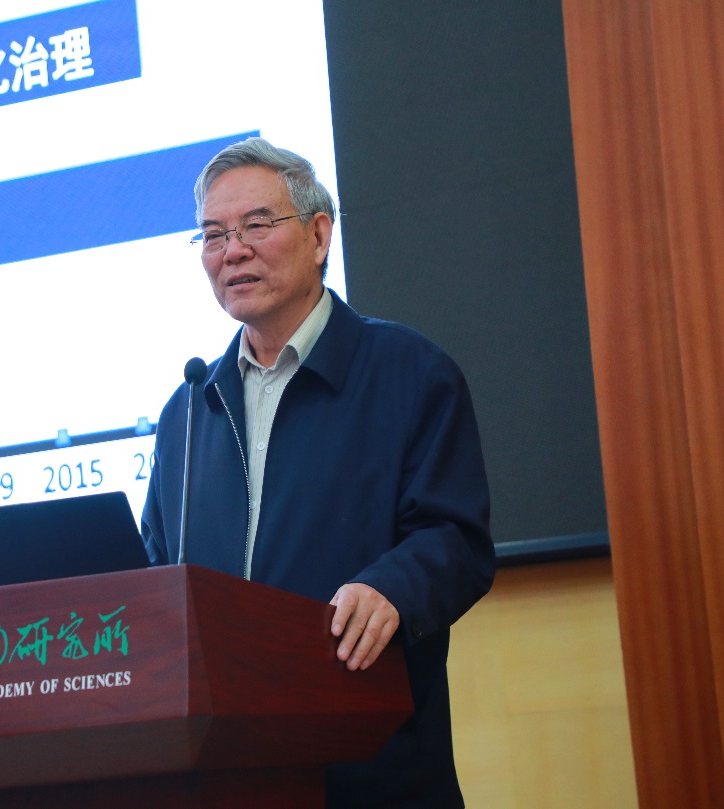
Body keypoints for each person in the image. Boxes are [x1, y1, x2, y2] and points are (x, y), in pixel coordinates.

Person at [141, 137, 494, 808]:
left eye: (256, 225)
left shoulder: (407, 373)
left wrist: (391, 587)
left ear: (319, 234)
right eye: (212, 235)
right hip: (227, 776)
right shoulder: (188, 412)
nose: (232, 251)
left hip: (370, 767)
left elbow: (456, 539)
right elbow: (158, 572)